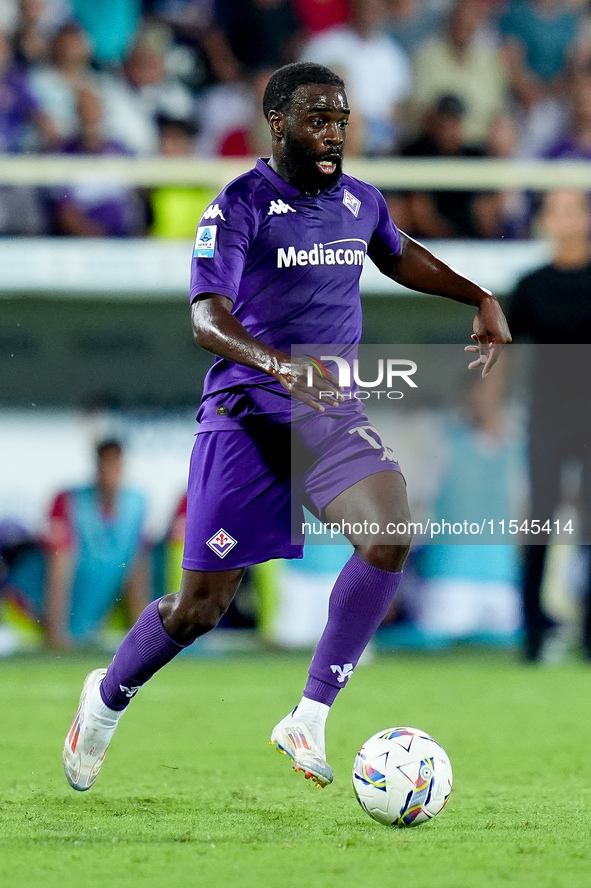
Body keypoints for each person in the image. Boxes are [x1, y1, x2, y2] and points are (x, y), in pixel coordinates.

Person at [62, 62, 510, 793]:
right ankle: (106, 698)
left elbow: (397, 253)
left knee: (388, 530)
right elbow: (207, 317)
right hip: (244, 413)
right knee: (199, 608)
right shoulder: (237, 205)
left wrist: (478, 294)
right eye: (317, 118)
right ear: (278, 123)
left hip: (325, 412)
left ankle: (308, 714)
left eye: (340, 118)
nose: (332, 132)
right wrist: (276, 363)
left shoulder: (359, 202)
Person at [506, 188, 591, 662]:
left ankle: (588, 632)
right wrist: (491, 404)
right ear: (545, 221)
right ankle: (532, 633)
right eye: (555, 211)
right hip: (547, 417)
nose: (565, 220)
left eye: (573, 210)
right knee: (538, 519)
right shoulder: (532, 284)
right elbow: (507, 351)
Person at [44, 438, 148, 649]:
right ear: (96, 464)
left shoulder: (136, 504)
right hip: (33, 617)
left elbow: (135, 569)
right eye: (105, 463)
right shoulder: (69, 500)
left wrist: (140, 636)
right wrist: (55, 633)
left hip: (87, 625)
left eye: (115, 464)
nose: (109, 470)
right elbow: (59, 569)